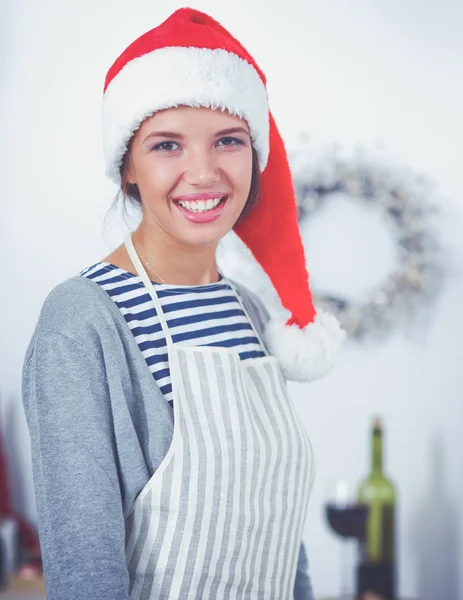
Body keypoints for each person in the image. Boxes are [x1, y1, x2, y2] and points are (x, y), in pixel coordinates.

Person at [22, 8, 345, 600]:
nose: (204, 173)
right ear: (127, 168)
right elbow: (85, 571)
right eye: (167, 145)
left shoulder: (247, 310)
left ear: (256, 156)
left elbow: (278, 537)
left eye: (228, 141)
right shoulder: (83, 322)